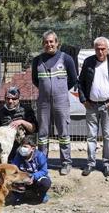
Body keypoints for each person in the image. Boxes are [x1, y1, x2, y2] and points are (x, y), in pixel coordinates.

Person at [77, 36, 109, 177]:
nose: (100, 51)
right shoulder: (88, 62)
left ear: (108, 49)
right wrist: (84, 100)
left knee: (107, 136)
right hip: (91, 105)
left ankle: (107, 164)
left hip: (108, 106)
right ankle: (91, 163)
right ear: (94, 49)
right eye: (97, 48)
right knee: (91, 136)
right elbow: (80, 83)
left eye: (103, 48)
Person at [31, 30, 78, 175]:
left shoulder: (66, 59)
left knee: (63, 133)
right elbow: (35, 80)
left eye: (51, 41)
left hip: (61, 101)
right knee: (43, 135)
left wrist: (59, 90)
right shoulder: (37, 60)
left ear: (57, 43)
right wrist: (47, 90)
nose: (49, 44)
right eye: (46, 42)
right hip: (43, 102)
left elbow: (73, 79)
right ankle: (42, 164)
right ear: (42, 44)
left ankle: (65, 163)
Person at [0, 86, 37, 162]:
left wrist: (21, 121)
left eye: (14, 99)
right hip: (6, 144)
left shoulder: (26, 110)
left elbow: (33, 128)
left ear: (18, 99)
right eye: (8, 98)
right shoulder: (1, 111)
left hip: (22, 144)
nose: (10, 101)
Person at [10, 136, 52, 204]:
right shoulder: (18, 155)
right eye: (21, 146)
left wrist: (33, 176)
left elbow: (44, 171)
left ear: (32, 148)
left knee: (45, 183)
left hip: (35, 180)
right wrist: (23, 178)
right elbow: (14, 168)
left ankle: (41, 194)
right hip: (23, 181)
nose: (22, 148)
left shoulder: (40, 156)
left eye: (25, 147)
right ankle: (19, 195)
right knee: (11, 179)